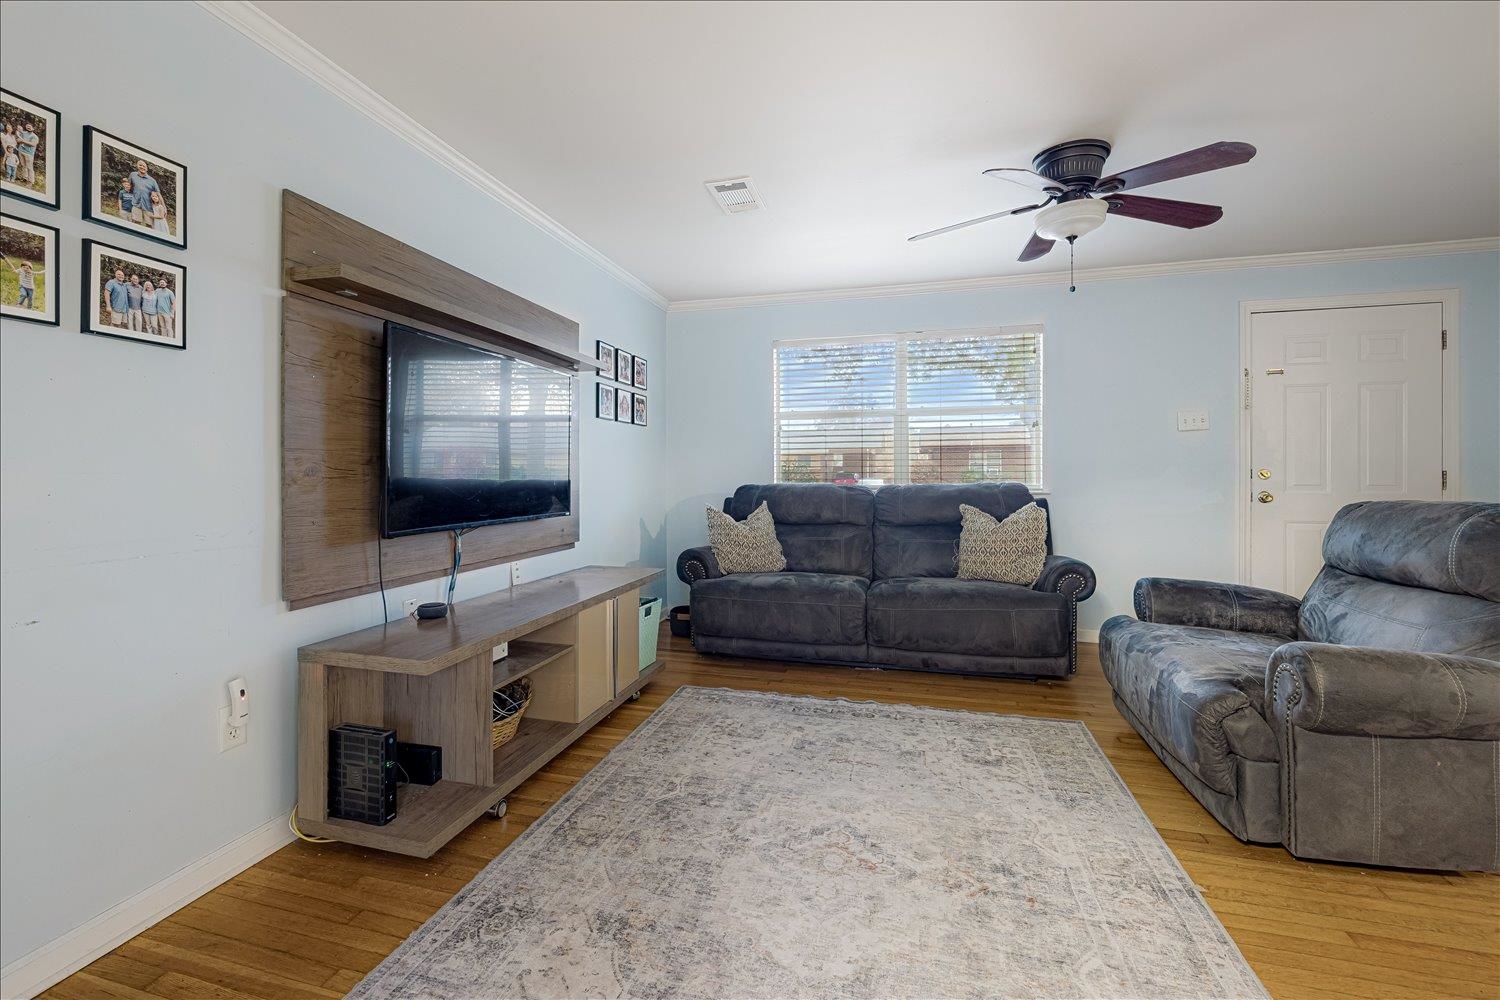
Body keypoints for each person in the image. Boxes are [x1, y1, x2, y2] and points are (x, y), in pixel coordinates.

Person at [128, 159, 160, 227]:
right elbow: (129, 187)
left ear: (147, 168)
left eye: (144, 166)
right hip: (136, 204)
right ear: (137, 166)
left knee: (150, 226)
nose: (142, 167)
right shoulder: (132, 175)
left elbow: (158, 194)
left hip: (148, 207)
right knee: (135, 225)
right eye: (140, 165)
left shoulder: (152, 181)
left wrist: (164, 208)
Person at [15, 120, 39, 187]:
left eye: (30, 127)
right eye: (27, 126)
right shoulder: (23, 133)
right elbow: (17, 139)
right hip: (21, 151)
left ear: (33, 128)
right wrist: (18, 140)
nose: (28, 127)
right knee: (23, 166)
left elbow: (33, 144)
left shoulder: (35, 136)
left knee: (29, 167)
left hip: (29, 154)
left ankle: (30, 182)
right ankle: (25, 178)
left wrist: (23, 141)